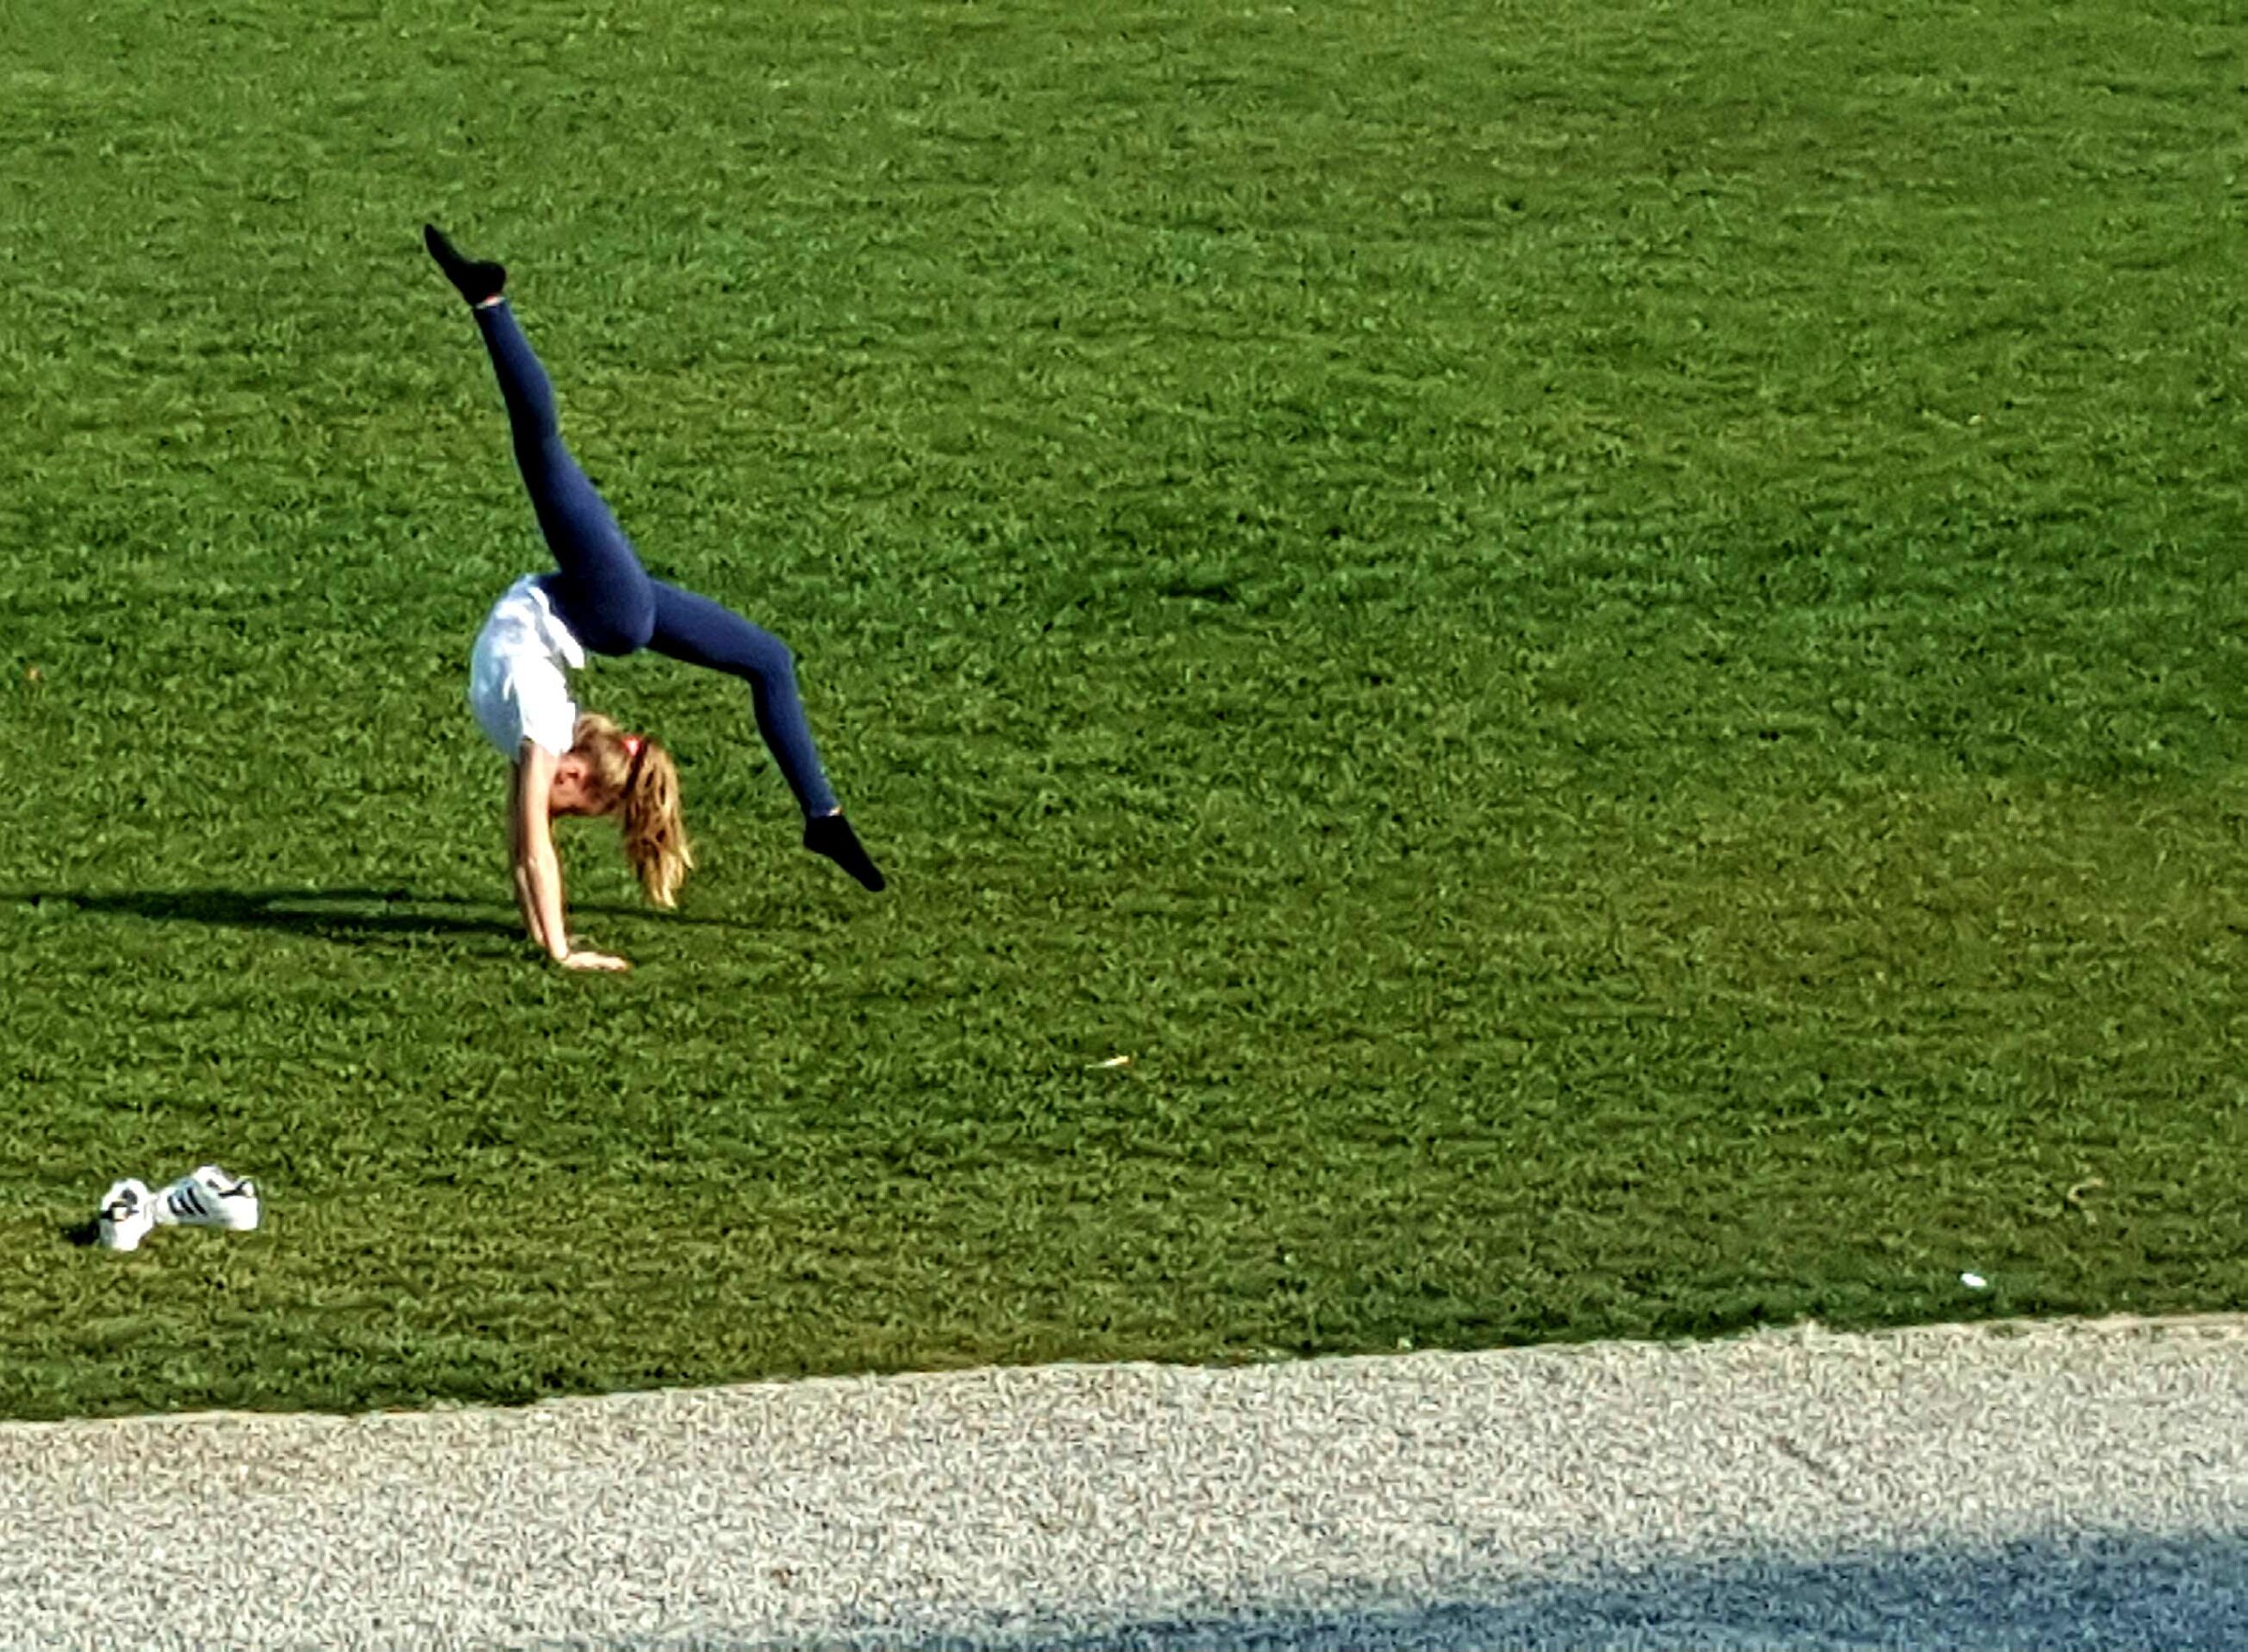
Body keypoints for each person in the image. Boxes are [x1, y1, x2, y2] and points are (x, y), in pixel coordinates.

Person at [426, 225, 884, 972]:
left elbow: (526, 852)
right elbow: (528, 849)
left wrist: (556, 948)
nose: (555, 814)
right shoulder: (542, 733)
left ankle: (821, 815)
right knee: (541, 451)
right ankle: (487, 302)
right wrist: (561, 950)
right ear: (577, 773)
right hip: (601, 608)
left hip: (594, 606)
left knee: (770, 660)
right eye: (575, 809)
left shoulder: (539, 735)